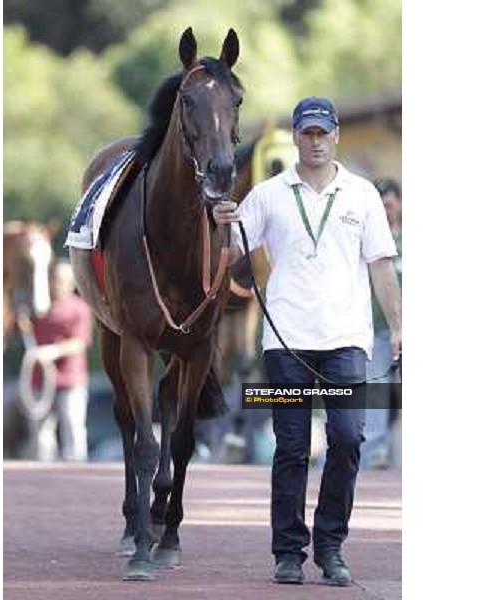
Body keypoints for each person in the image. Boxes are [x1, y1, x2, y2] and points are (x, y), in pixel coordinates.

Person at [212, 97, 402, 586]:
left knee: (346, 439)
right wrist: (216, 226)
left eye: (322, 133)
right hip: (286, 340)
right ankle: (289, 552)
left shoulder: (362, 196)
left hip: (347, 341)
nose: (315, 141)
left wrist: (399, 327)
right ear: (296, 136)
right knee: (292, 448)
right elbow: (228, 256)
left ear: (335, 135)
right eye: (307, 133)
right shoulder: (268, 195)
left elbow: (382, 266)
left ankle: (331, 547)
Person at [21, 260, 93, 461]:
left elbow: (80, 342)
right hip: (40, 383)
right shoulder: (38, 308)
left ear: (71, 283)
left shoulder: (79, 309)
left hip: (70, 382)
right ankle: (45, 480)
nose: (57, 284)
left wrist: (51, 351)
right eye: (54, 279)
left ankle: (77, 478)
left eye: (62, 280)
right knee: (41, 437)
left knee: (73, 431)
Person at [362, 178, 402, 468]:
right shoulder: (364, 242)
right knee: (374, 407)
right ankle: (369, 463)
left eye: (388, 205)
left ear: (398, 205)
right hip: (375, 336)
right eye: (380, 206)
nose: (385, 212)